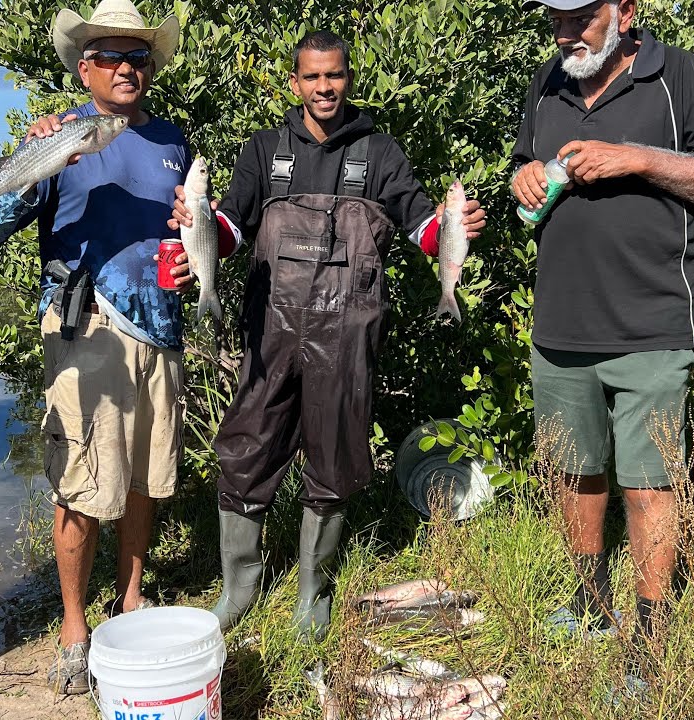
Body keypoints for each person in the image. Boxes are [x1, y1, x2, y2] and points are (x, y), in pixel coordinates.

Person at [171, 30, 487, 640]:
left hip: (347, 337)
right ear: (295, 82)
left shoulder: (380, 152)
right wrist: (199, 220)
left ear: (347, 79)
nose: (324, 87)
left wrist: (455, 225)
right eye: (313, 76)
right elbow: (230, 227)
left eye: (334, 75)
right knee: (246, 448)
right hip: (270, 334)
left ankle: (312, 593)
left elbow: (422, 227)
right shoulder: (264, 150)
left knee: (335, 456)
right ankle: (239, 588)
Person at [0, 0, 205, 696]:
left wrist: (191, 263)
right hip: (88, 329)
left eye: (138, 57)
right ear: (84, 68)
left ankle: (129, 599)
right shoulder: (57, 134)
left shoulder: (173, 141)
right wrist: (37, 166)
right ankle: (74, 629)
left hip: (161, 331)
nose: (126, 68)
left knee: (144, 478)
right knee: (80, 483)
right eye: (110, 57)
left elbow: (182, 233)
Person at [511, 0, 694, 688]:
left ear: (625, 10)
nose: (565, 33)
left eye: (580, 18)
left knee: (649, 484)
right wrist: (522, 176)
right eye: (555, 20)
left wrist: (637, 159)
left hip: (651, 320)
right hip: (560, 322)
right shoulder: (546, 83)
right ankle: (590, 603)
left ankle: (648, 639)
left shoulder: (678, 76)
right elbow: (523, 172)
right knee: (573, 470)